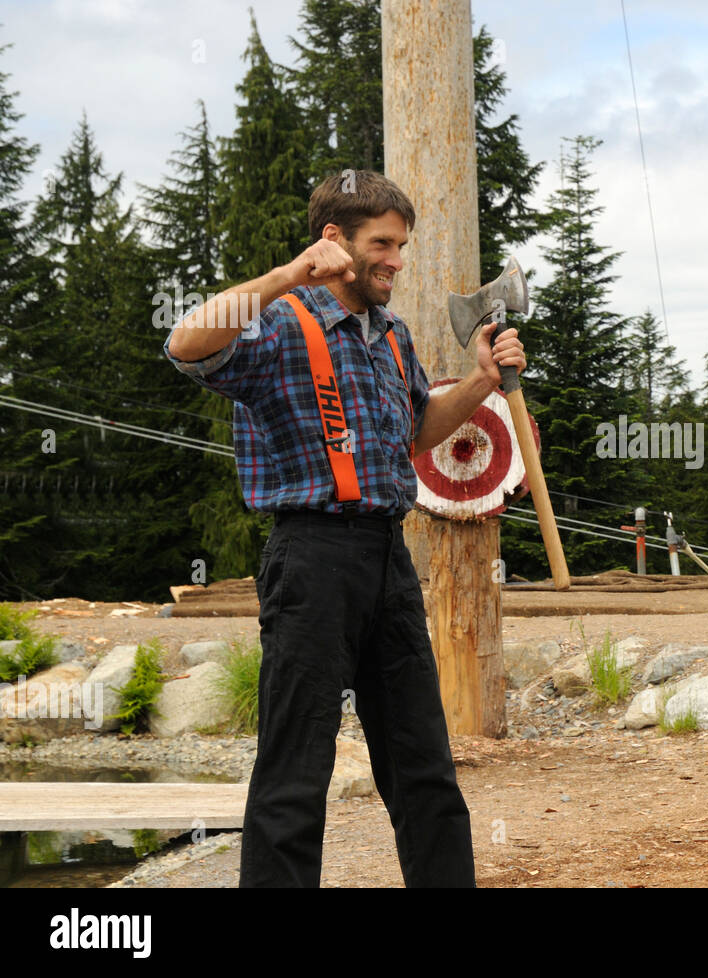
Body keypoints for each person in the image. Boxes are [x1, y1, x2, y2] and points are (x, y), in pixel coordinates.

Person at [164, 170, 525, 887]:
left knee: (424, 768)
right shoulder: (278, 321)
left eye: (402, 245)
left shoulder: (392, 336)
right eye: (382, 244)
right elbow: (184, 344)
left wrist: (481, 380)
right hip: (311, 558)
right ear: (335, 241)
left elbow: (418, 433)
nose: (396, 259)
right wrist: (289, 272)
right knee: (295, 772)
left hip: (388, 560)